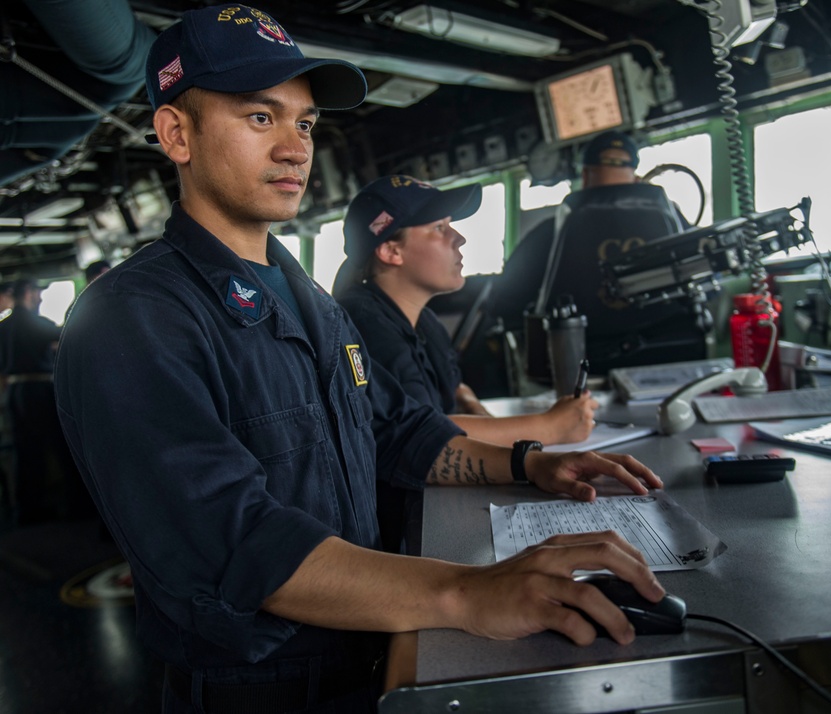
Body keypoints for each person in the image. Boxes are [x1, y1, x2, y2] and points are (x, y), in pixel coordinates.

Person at [52, 6, 665, 713]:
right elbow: (240, 545)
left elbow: (394, 432)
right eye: (260, 117)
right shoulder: (132, 317)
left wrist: (533, 461)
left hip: (370, 640)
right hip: (260, 690)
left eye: (304, 123)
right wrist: (467, 592)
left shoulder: (310, 300)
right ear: (176, 134)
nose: (294, 149)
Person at [336, 175, 599, 447]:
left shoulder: (423, 319)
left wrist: (471, 404)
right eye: (439, 227)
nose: (459, 238)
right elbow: (419, 431)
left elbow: (454, 389)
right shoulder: (364, 325)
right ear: (392, 251)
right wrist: (551, 427)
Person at [489, 130, 702, 375]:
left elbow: (504, 301)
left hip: (580, 369)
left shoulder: (548, 234)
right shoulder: (672, 221)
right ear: (635, 176)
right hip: (673, 358)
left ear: (586, 175)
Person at [0, 278, 87, 524]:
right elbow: (69, 336)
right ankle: (77, 507)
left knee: (25, 454)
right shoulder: (35, 323)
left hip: (14, 394)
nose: (39, 298)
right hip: (39, 390)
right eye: (38, 293)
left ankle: (28, 512)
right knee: (64, 448)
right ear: (28, 292)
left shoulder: (3, 327)